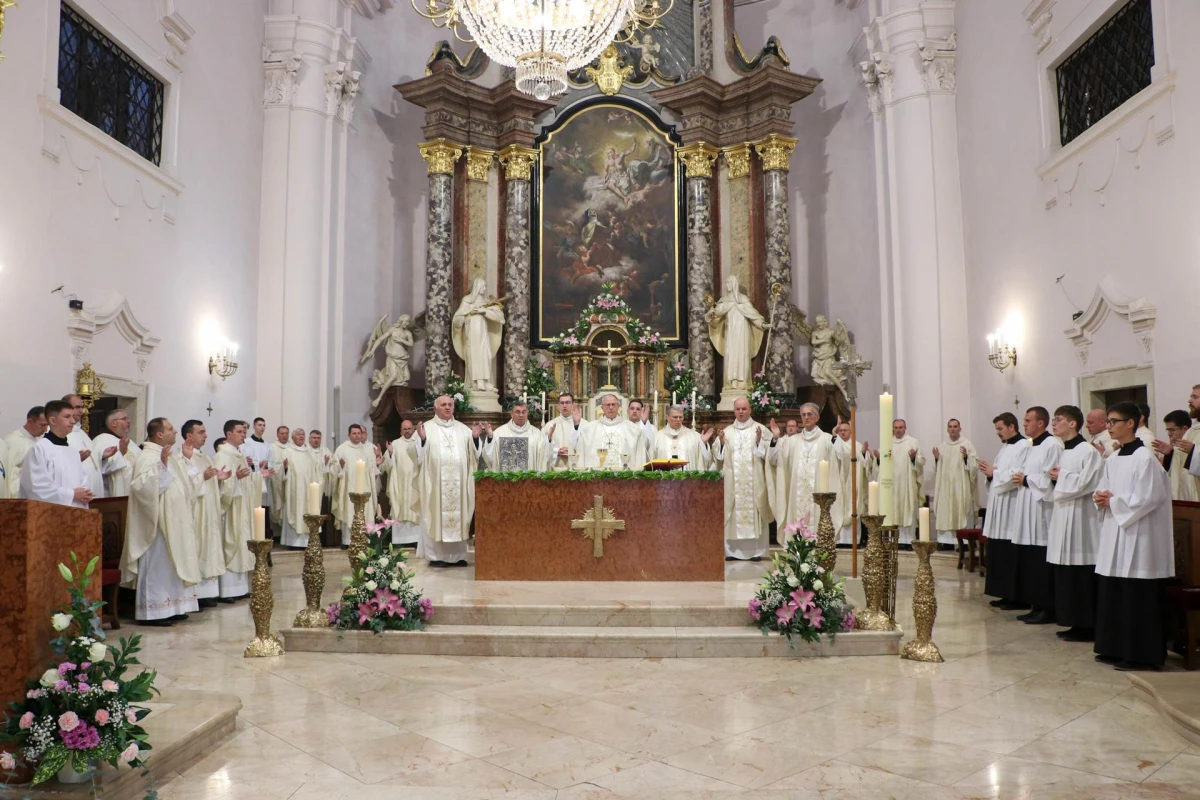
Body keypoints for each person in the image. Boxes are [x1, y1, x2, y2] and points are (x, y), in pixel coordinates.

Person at [1093, 401, 1174, 671]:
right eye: (1108, 422)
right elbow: (1103, 488)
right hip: (1116, 534)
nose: (1109, 427)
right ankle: (1114, 647)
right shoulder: (1113, 458)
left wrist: (1113, 502)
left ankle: (1142, 655)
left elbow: (1149, 498)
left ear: (1131, 423)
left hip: (1140, 538)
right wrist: (1101, 497)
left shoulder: (1145, 458)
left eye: (1114, 421)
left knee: (1137, 596)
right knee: (1116, 591)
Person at [121, 418, 201, 626]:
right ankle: (154, 612)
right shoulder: (148, 456)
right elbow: (140, 488)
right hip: (156, 523)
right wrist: (161, 466)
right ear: (159, 434)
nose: (175, 431)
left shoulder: (167, 455)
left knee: (173, 564)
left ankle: (174, 606)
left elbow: (185, 486)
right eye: (170, 429)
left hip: (175, 520)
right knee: (158, 565)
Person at [1045, 405, 1102, 642]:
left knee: (1080, 571)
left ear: (1072, 424)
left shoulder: (1087, 451)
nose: (1053, 424)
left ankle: (1087, 624)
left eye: (1058, 420)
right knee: (1065, 571)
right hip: (1063, 515)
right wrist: (1053, 478)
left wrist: (1061, 478)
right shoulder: (1063, 451)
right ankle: (1073, 621)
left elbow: (1087, 484)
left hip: (1081, 519)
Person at [415, 395, 485, 566]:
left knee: (459, 516)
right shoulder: (426, 429)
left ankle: (458, 556)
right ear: (435, 408)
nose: (447, 408)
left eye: (450, 405)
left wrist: (475, 438)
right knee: (436, 514)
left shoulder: (463, 429)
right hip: (436, 484)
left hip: (459, 485)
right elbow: (418, 456)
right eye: (443, 405)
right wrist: (423, 440)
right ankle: (437, 557)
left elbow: (475, 454)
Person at [1011, 406, 1064, 624]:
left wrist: (1026, 480)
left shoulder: (1052, 444)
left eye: (1027, 420)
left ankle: (1046, 607)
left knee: (1041, 561)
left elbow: (1050, 477)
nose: (1024, 424)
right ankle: (1035, 604)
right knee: (1031, 561)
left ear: (1040, 423)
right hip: (1028, 507)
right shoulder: (1032, 446)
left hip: (1042, 511)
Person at [713, 397, 773, 560]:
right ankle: (731, 552)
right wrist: (722, 443)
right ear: (734, 411)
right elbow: (718, 458)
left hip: (754, 483)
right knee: (732, 511)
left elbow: (769, 455)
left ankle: (756, 551)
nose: (740, 412)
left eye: (744, 409)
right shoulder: (727, 432)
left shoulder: (760, 429)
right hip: (733, 485)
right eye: (738, 409)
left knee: (755, 510)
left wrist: (760, 442)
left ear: (750, 410)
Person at [980, 412, 1029, 610]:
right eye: (997, 430)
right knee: (999, 551)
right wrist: (991, 475)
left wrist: (995, 473)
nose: (998, 433)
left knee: (1011, 553)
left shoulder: (1024, 446)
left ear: (1011, 426)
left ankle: (1015, 596)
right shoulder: (1006, 447)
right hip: (999, 505)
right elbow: (998, 472)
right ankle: (1003, 593)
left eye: (1000, 429)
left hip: (1011, 506)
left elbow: (1017, 474)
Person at [181, 419, 229, 606]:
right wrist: (203, 477)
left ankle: (207, 594)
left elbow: (208, 483)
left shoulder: (204, 457)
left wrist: (218, 479)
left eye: (205, 431)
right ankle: (196, 596)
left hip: (208, 511)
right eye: (201, 432)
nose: (205, 435)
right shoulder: (183, 457)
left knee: (209, 548)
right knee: (198, 548)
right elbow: (183, 484)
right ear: (189, 436)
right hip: (196, 512)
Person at [213, 420, 262, 602]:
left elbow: (246, 482)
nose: (243, 435)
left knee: (241, 543)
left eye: (244, 432)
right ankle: (227, 590)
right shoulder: (222, 455)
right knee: (230, 543)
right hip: (230, 509)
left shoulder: (238, 454)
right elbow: (220, 484)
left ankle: (240, 588)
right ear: (229, 434)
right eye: (240, 432)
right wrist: (235, 479)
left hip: (241, 508)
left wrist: (257, 477)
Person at [19, 400, 92, 508]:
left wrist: (85, 493)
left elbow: (82, 481)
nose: (72, 421)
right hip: (49, 515)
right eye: (67, 417)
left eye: (73, 416)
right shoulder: (39, 449)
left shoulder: (73, 451)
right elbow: (35, 487)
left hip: (76, 513)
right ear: (53, 420)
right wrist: (71, 494)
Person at [707, 274, 766, 394]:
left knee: (742, 355)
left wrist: (762, 324)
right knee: (730, 356)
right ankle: (731, 382)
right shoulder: (723, 301)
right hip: (730, 333)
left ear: (734, 284)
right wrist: (710, 314)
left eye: (729, 282)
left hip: (742, 333)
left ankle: (742, 381)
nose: (727, 285)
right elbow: (715, 317)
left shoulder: (742, 299)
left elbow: (753, 315)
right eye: (726, 282)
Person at [332, 424, 383, 547]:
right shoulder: (342, 449)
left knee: (366, 512)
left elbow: (372, 471)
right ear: (348, 435)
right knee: (349, 511)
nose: (357, 435)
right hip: (349, 488)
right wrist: (341, 466)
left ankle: (366, 540)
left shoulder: (367, 449)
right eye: (354, 433)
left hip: (365, 488)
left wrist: (376, 463)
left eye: (359, 433)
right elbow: (333, 468)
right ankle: (347, 541)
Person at [932, 419, 979, 545]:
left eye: (955, 426)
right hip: (945, 488)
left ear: (960, 428)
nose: (953, 429)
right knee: (945, 511)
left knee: (961, 509)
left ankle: (962, 542)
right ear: (947, 429)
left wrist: (965, 457)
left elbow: (974, 466)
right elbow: (937, 471)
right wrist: (937, 459)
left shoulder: (967, 445)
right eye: (950, 427)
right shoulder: (942, 447)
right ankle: (945, 541)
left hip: (960, 487)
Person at [575, 394, 647, 470]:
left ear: (618, 406)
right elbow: (580, 457)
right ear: (602, 408)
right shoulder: (589, 429)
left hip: (625, 478)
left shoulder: (633, 429)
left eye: (613, 404)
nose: (611, 407)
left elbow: (640, 457)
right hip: (597, 478)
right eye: (608, 405)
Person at [832, 422, 873, 545]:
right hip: (839, 483)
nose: (843, 432)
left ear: (851, 432)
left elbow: (867, 464)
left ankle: (853, 540)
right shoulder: (835, 445)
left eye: (845, 430)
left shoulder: (857, 446)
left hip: (852, 484)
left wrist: (865, 453)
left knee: (853, 507)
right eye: (841, 430)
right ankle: (839, 540)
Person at [280, 427, 321, 549]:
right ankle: (292, 542)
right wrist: (285, 469)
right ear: (293, 438)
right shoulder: (288, 451)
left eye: (303, 434)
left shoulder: (309, 452)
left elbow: (316, 469)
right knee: (295, 510)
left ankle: (306, 542)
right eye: (298, 434)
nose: (301, 436)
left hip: (308, 489)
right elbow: (281, 470)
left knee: (307, 510)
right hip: (294, 488)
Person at [383, 420, 422, 547]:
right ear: (400, 431)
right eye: (404, 429)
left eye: (409, 428)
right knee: (400, 508)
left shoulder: (419, 443)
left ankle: (416, 539)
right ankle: (400, 541)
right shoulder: (395, 444)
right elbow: (386, 466)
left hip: (415, 483)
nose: (407, 431)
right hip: (400, 484)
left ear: (413, 429)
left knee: (415, 507)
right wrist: (389, 453)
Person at [485, 402, 553, 472]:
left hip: (529, 480)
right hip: (505, 480)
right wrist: (490, 438)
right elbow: (490, 455)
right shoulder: (500, 432)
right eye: (517, 412)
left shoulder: (536, 434)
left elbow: (545, 455)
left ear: (527, 414)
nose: (521, 415)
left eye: (524, 412)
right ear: (511, 414)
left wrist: (548, 440)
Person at [889, 419, 926, 545]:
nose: (898, 430)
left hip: (908, 483)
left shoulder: (912, 442)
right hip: (893, 485)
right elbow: (883, 461)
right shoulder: (888, 443)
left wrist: (914, 458)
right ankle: (896, 541)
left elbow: (921, 461)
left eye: (900, 427)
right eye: (896, 427)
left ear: (905, 428)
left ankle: (909, 541)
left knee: (908, 509)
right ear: (892, 429)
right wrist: (878, 459)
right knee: (894, 510)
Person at [63, 394, 105, 497]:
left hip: (93, 485)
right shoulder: (61, 433)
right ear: (65, 408)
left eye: (82, 407)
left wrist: (102, 456)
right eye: (77, 407)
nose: (81, 411)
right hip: (77, 487)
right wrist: (75, 459)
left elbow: (91, 460)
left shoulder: (81, 433)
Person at [91, 408, 140, 497]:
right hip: (110, 495)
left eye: (128, 419)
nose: (128, 421)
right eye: (124, 419)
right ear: (114, 423)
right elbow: (99, 467)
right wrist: (121, 452)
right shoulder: (101, 440)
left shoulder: (131, 443)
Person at [650, 405, 714, 469]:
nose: (678, 420)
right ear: (667, 417)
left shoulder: (694, 436)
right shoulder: (657, 437)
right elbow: (650, 460)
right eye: (675, 417)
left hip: (687, 477)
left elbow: (705, 460)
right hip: (664, 478)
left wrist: (704, 444)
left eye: (680, 417)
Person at [4, 406, 48, 497]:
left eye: (47, 425)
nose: (45, 430)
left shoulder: (41, 441)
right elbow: (8, 472)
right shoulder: (12, 441)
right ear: (30, 421)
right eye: (42, 425)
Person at [1156, 409, 1198, 501]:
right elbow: (1172, 474)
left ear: (1185, 429)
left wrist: (1192, 451)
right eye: (1168, 430)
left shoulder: (1194, 444)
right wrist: (1169, 454)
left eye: (1172, 430)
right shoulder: (1176, 448)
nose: (1169, 434)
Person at [545, 392, 587, 471]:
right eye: (562, 403)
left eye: (567, 402)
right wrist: (556, 451)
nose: (564, 405)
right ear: (558, 406)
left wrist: (571, 451)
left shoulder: (584, 425)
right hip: (556, 470)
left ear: (573, 404)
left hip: (577, 471)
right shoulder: (549, 425)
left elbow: (588, 448)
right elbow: (542, 449)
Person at [242, 417, 274, 514]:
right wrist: (256, 465)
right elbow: (245, 460)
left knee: (262, 506)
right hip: (252, 478)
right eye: (259, 425)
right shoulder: (246, 443)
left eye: (264, 425)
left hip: (264, 479)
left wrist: (267, 465)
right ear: (254, 427)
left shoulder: (268, 445)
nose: (262, 427)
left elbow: (272, 461)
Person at [268, 425, 290, 534]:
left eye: (286, 433)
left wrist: (287, 468)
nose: (284, 436)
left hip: (289, 482)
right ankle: (276, 534)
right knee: (276, 504)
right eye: (282, 433)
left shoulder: (292, 447)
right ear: (277, 435)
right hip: (277, 481)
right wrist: (282, 468)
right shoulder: (272, 447)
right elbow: (271, 464)